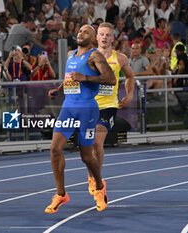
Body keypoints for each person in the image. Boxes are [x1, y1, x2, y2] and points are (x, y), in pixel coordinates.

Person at [46, 24, 116, 213]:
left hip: (87, 110)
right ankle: (61, 194)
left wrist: (85, 77)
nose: (80, 33)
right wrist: (58, 89)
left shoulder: (95, 56)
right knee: (54, 149)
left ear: (93, 38)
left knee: (86, 156)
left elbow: (111, 79)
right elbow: (71, 77)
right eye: (79, 31)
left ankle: (100, 188)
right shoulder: (71, 55)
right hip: (68, 108)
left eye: (86, 32)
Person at [86, 22, 134, 196]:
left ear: (113, 38)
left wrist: (128, 96)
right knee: (88, 146)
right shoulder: (88, 56)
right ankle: (92, 178)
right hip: (89, 106)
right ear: (96, 37)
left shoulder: (120, 58)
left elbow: (130, 76)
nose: (104, 37)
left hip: (108, 106)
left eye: (108, 34)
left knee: (97, 142)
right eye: (101, 34)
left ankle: (98, 181)